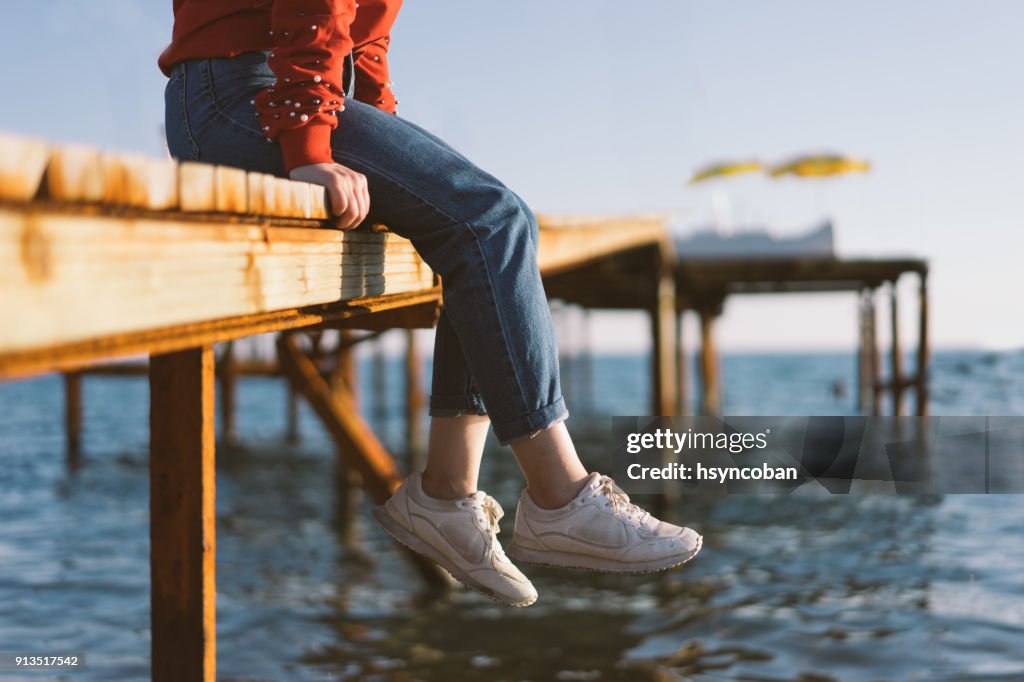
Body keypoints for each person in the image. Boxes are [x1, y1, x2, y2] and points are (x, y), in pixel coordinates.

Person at [160, 0, 701, 607]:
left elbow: (366, 40)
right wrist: (308, 149)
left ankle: (446, 494)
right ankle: (558, 495)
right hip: (240, 92)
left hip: (287, 82)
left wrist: (385, 143)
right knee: (490, 222)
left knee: (497, 221)